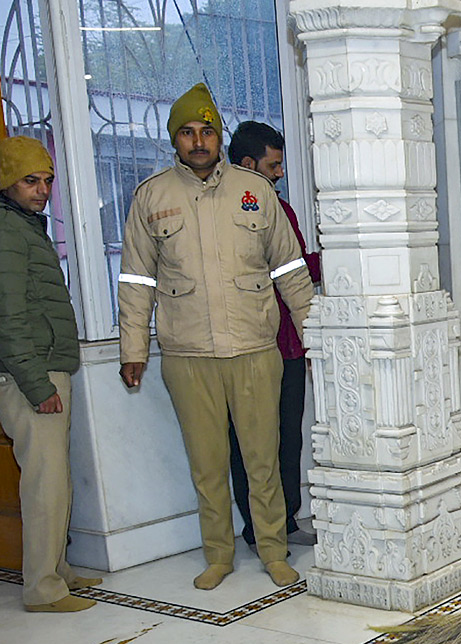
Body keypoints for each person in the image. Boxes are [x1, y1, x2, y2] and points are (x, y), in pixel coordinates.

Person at [117, 84, 313, 590]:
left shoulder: (256, 191)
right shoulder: (152, 197)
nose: (198, 141)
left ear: (219, 137)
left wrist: (314, 333)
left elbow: (291, 269)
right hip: (188, 355)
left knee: (262, 458)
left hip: (253, 349)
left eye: (207, 131)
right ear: (174, 140)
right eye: (188, 132)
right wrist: (133, 348)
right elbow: (137, 280)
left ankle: (273, 549)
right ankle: (219, 555)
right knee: (207, 465)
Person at [0, 135, 102, 612]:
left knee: (54, 477)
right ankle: (42, 589)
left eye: (47, 181)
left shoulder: (25, 226)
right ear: (7, 183)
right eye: (30, 181)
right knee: (44, 481)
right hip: (31, 376)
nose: (42, 190)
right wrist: (37, 385)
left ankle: (55, 570)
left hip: (45, 368)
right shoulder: (7, 231)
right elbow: (9, 316)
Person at [226, 121, 320, 547]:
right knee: (250, 439)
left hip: (288, 342)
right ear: (249, 165)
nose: (280, 173)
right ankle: (258, 527)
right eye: (274, 165)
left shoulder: (280, 209)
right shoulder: (223, 212)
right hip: (248, 342)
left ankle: (284, 523)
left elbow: (294, 269)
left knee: (287, 434)